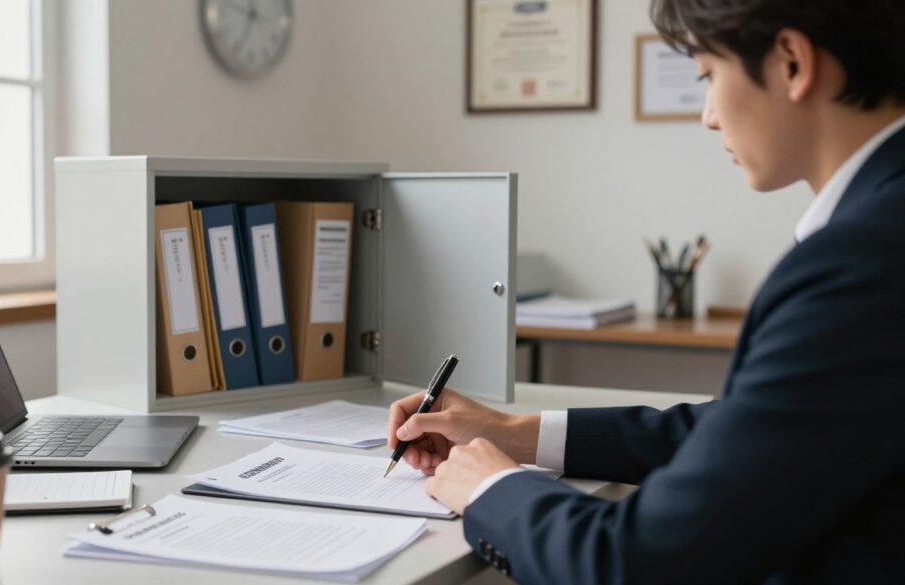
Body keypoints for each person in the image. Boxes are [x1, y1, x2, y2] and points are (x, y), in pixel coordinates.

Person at [387, 1, 905, 583]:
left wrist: (491, 488)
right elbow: (751, 430)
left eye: (708, 75)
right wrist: (514, 434)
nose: (709, 116)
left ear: (791, 61)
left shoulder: (860, 261)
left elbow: (637, 562)